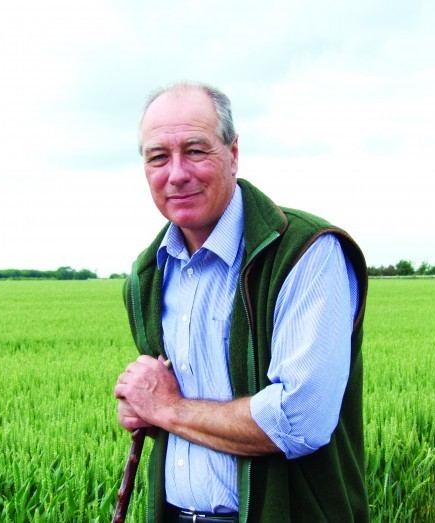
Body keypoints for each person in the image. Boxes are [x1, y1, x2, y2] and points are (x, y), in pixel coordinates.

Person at [114, 82, 368, 522]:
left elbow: (299, 420)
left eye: (195, 150)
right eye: (158, 156)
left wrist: (167, 408)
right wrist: (146, 409)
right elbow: (181, 414)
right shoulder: (148, 275)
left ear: (233, 154)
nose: (176, 173)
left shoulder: (306, 252)